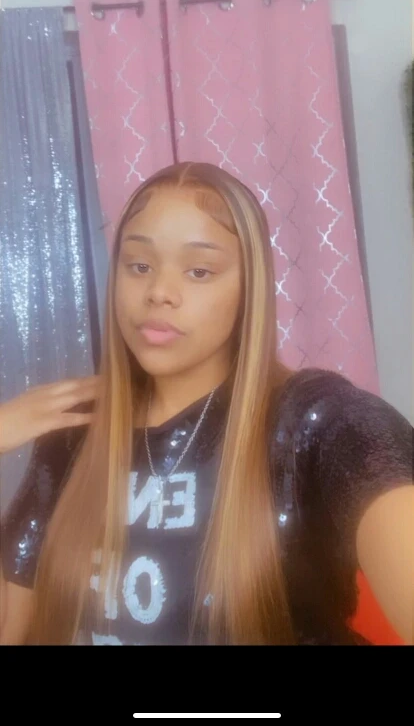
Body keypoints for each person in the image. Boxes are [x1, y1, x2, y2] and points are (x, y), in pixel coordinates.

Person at [0, 161, 412, 646]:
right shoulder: (73, 431)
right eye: (139, 266)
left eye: (199, 271)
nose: (159, 293)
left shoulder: (317, 421)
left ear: (248, 289)